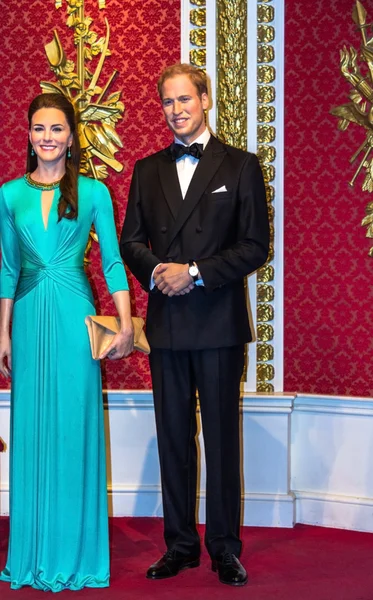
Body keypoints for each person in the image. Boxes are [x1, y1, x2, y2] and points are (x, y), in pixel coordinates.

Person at [120, 63, 270, 587]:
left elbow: (256, 246)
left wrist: (198, 273)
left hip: (218, 323)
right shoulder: (146, 169)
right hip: (167, 322)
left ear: (205, 99)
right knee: (173, 440)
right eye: (168, 102)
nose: (177, 110)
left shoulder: (242, 165)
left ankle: (225, 549)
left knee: (223, 441)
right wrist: (159, 274)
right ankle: (180, 545)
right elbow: (130, 241)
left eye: (185, 99)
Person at [0, 93, 134, 592]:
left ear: (71, 136)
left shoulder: (95, 193)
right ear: (29, 134)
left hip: (76, 317)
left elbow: (113, 264)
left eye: (57, 129)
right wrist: (2, 332)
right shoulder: (7, 194)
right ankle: (32, 554)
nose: (48, 137)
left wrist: (124, 323)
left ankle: (77, 555)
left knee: (74, 427)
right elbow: (9, 269)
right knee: (33, 428)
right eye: (39, 129)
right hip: (30, 319)